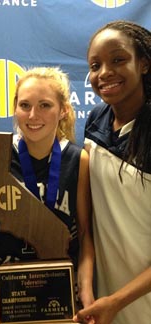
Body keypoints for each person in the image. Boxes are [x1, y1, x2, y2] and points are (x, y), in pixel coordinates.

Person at [0, 66, 95, 320]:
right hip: (9, 293)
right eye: (25, 105)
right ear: (15, 109)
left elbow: (84, 233)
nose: (33, 115)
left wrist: (85, 288)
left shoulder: (78, 160)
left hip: (62, 292)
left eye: (45, 105)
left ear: (63, 110)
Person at [73, 20, 151, 324]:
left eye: (118, 60)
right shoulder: (96, 120)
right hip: (106, 303)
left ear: (144, 63)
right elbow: (88, 220)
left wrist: (117, 301)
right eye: (95, 65)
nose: (104, 72)